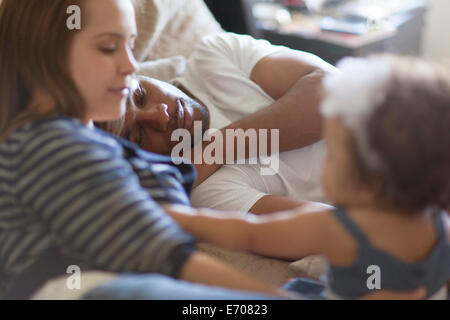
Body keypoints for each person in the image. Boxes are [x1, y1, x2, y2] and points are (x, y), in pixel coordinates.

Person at [0, 0, 299, 300]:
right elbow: (166, 254)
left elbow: (170, 226)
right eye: (107, 48)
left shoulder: (101, 145)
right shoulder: (47, 144)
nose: (131, 65)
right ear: (52, 59)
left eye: (130, 45)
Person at [165, 55, 450, 299]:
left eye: (333, 157)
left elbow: (250, 233)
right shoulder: (440, 226)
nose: (325, 161)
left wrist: (181, 218)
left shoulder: (338, 230)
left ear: (369, 184)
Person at [101, 31, 337, 215]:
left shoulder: (212, 55)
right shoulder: (204, 192)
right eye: (138, 136)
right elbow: (331, 229)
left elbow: (334, 91)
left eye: (141, 95)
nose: (160, 116)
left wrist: (216, 148)